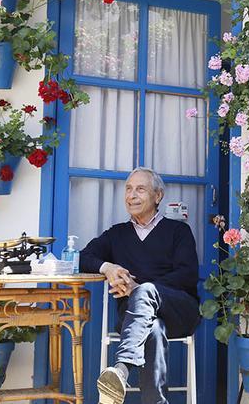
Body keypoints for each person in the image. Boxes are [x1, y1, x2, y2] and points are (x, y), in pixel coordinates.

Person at [80, 167, 201, 404]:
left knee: (145, 291)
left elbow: (187, 275)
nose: (132, 195)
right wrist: (108, 268)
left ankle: (122, 370)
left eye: (140, 189)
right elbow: (84, 257)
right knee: (153, 327)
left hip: (180, 310)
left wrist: (139, 287)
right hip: (134, 319)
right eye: (128, 189)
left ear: (158, 196)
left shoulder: (178, 231)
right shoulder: (117, 234)